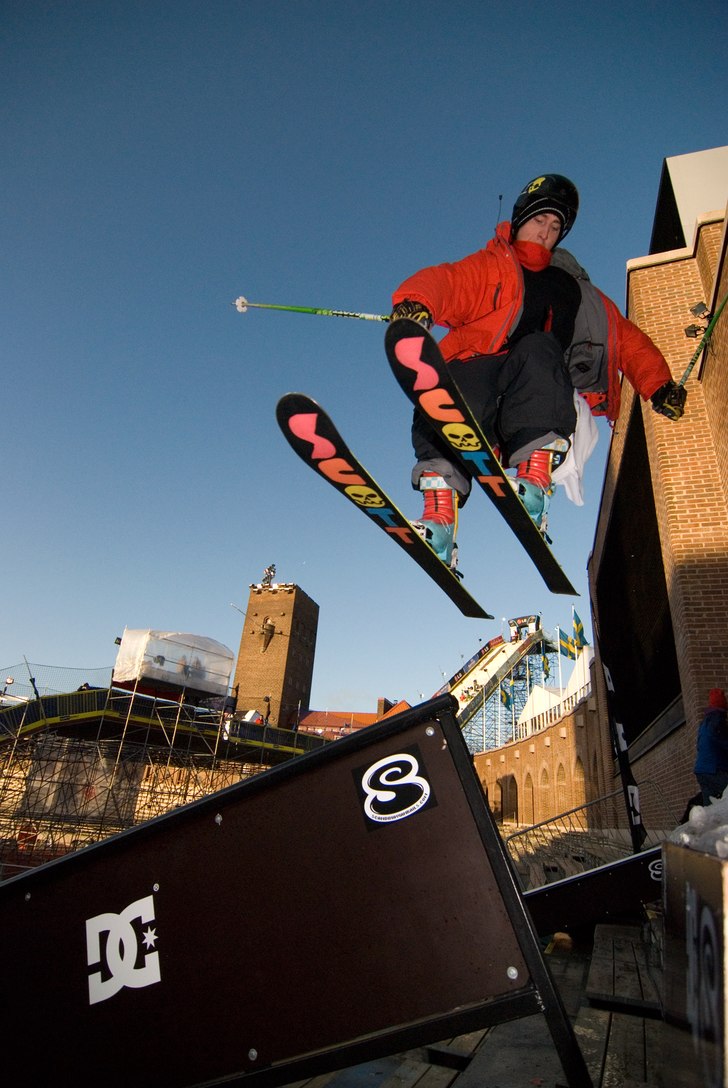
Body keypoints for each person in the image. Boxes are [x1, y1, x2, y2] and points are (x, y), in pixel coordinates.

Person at [390, 174, 687, 567]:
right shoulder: (493, 265)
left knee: (539, 347)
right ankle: (439, 524)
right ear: (519, 221)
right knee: (446, 391)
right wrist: (417, 303)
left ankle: (532, 482)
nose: (546, 231)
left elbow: (626, 340)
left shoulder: (579, 292)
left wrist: (659, 384)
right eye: (539, 220)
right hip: (476, 379)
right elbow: (448, 282)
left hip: (535, 395)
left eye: (555, 226)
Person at [694, 688, 728, 805]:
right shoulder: (717, 720)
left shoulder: (705, 723)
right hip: (712, 770)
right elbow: (724, 743)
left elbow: (699, 746)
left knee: (709, 809)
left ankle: (709, 823)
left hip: (701, 770)